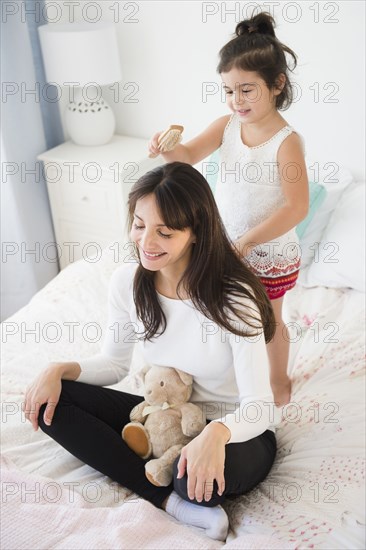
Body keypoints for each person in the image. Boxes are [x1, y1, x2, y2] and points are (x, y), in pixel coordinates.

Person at [23, 161, 278, 542]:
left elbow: (261, 405)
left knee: (188, 476)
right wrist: (58, 369)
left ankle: (177, 490)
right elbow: (113, 364)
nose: (146, 241)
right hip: (164, 417)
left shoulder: (233, 299)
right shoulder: (127, 282)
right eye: (139, 225)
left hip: (239, 431)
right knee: (52, 404)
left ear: (195, 233)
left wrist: (217, 433)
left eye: (165, 232)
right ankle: (169, 503)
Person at [149, 12, 309, 407]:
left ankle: (277, 379)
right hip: (229, 244)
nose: (236, 101)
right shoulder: (226, 126)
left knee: (268, 319)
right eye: (228, 91)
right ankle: (229, 373)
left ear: (276, 85)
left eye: (247, 90)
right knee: (226, 312)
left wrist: (250, 241)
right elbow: (186, 156)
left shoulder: (286, 142)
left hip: (268, 251)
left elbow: (297, 207)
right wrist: (166, 148)